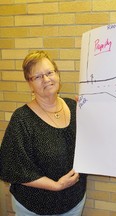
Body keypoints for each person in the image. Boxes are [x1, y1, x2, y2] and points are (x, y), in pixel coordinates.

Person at [0, 51, 87, 215]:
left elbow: (93, 143)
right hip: (34, 207)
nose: (46, 79)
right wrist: (56, 186)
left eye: (49, 73)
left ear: (57, 74)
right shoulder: (22, 119)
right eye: (38, 77)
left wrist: (90, 112)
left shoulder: (75, 107)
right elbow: (11, 167)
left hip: (73, 202)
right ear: (29, 83)